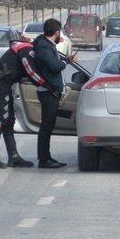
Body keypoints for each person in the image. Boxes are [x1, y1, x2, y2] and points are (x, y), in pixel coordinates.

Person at [0, 38, 51, 169]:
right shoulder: (26, 49)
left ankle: (14, 157)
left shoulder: (26, 49)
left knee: (9, 121)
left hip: (5, 83)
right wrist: (47, 84)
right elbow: (30, 71)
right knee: (0, 120)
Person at [33, 18, 76, 169]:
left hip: (51, 91)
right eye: (60, 33)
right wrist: (66, 63)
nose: (61, 36)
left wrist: (66, 60)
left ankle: (46, 157)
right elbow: (54, 66)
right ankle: (44, 160)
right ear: (56, 32)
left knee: (48, 126)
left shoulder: (47, 45)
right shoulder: (44, 47)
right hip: (48, 92)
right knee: (46, 127)